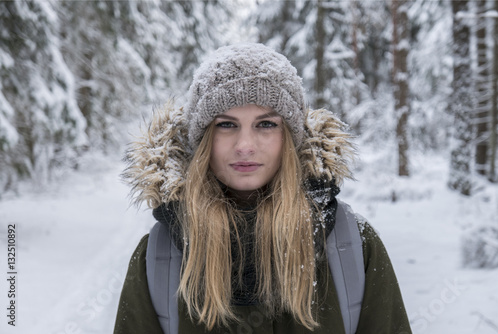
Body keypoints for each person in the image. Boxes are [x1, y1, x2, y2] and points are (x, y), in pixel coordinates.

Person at [114, 43, 412, 334]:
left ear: (290, 137)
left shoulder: (352, 246)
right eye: (226, 125)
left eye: (266, 124)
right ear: (203, 140)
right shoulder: (159, 257)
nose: (245, 146)